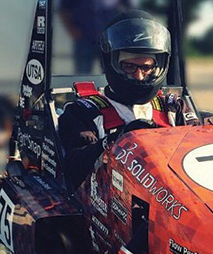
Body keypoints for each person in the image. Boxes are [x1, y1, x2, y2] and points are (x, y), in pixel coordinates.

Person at [58, 10, 174, 190]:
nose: (139, 77)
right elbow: (72, 171)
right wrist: (119, 140)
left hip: (172, 199)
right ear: (111, 63)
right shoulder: (82, 113)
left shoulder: (172, 108)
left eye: (146, 68)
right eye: (129, 67)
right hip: (113, 206)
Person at [59, 0, 135, 74]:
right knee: (82, 74)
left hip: (109, 39)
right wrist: (71, 28)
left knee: (111, 72)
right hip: (84, 38)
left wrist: (124, 30)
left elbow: (130, 10)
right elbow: (63, 9)